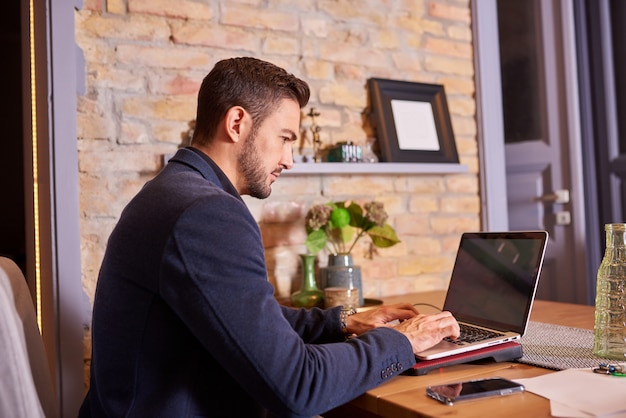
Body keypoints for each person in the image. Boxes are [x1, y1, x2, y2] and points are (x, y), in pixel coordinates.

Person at [78, 57, 460, 418]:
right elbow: (298, 386)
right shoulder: (208, 215)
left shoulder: (171, 193)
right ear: (237, 123)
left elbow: (243, 317)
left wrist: (343, 322)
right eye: (284, 137)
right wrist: (404, 342)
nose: (289, 159)